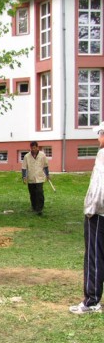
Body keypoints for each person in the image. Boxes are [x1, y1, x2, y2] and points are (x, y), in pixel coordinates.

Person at [69, 122, 104, 315]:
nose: (98, 139)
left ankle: (91, 301)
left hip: (99, 215)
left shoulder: (102, 155)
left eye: (100, 134)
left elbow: (99, 188)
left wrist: (91, 210)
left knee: (94, 256)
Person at [22, 141, 49, 215]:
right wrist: (24, 177)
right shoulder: (27, 156)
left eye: (34, 148)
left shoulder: (42, 155)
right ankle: (34, 207)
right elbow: (24, 167)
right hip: (31, 178)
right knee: (32, 193)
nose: (33, 149)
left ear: (37, 147)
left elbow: (46, 166)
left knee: (39, 192)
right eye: (31, 148)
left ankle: (40, 208)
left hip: (39, 177)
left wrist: (47, 175)